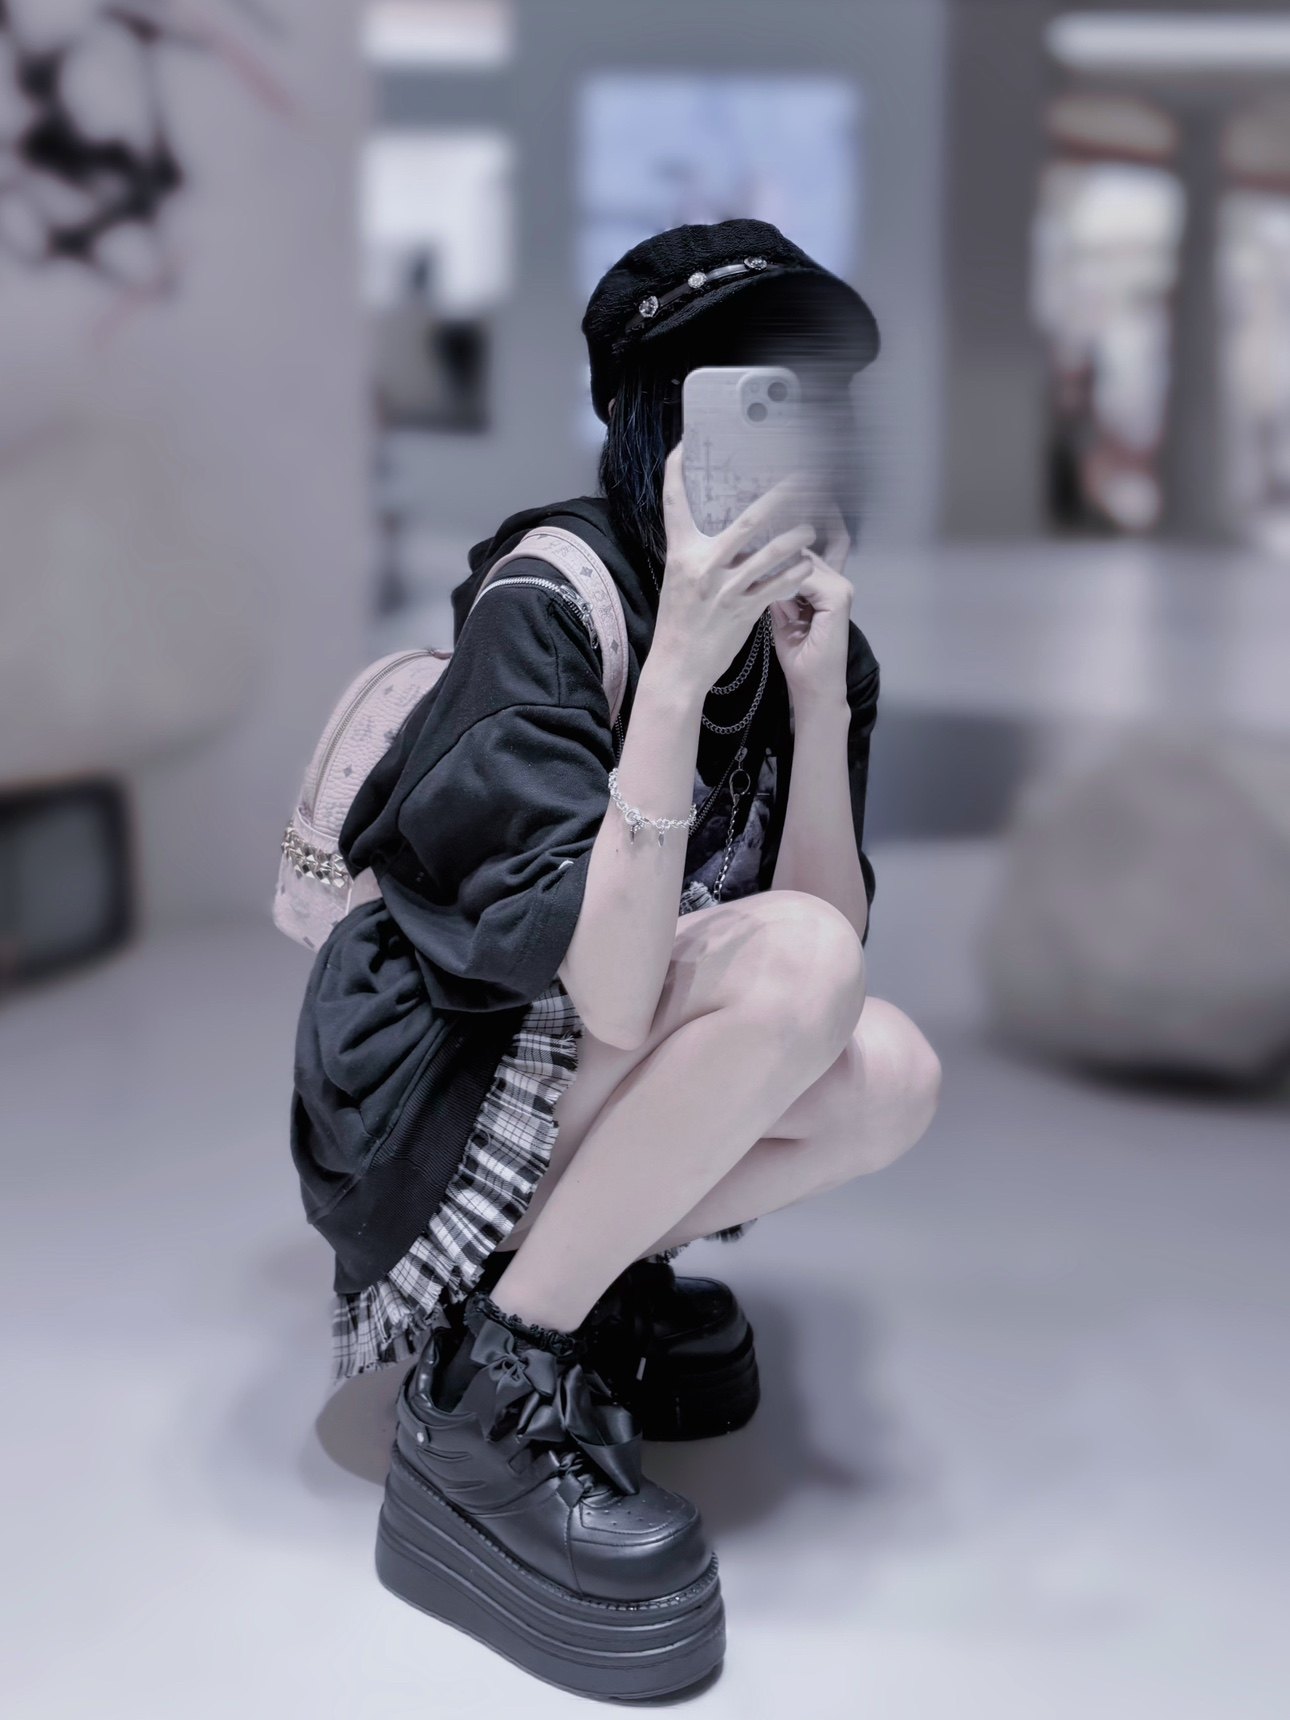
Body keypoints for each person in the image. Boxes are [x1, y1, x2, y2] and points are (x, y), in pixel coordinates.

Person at [289, 219, 943, 1699]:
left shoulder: (813, 637)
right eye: (744, 394)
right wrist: (678, 669)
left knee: (891, 1074)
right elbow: (613, 993)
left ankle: (586, 1278)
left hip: (576, 1069)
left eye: (811, 395)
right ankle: (489, 1384)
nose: (792, 433)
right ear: (657, 421)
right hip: (431, 1087)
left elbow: (829, 958)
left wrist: (814, 701)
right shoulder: (550, 602)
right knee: (787, 970)